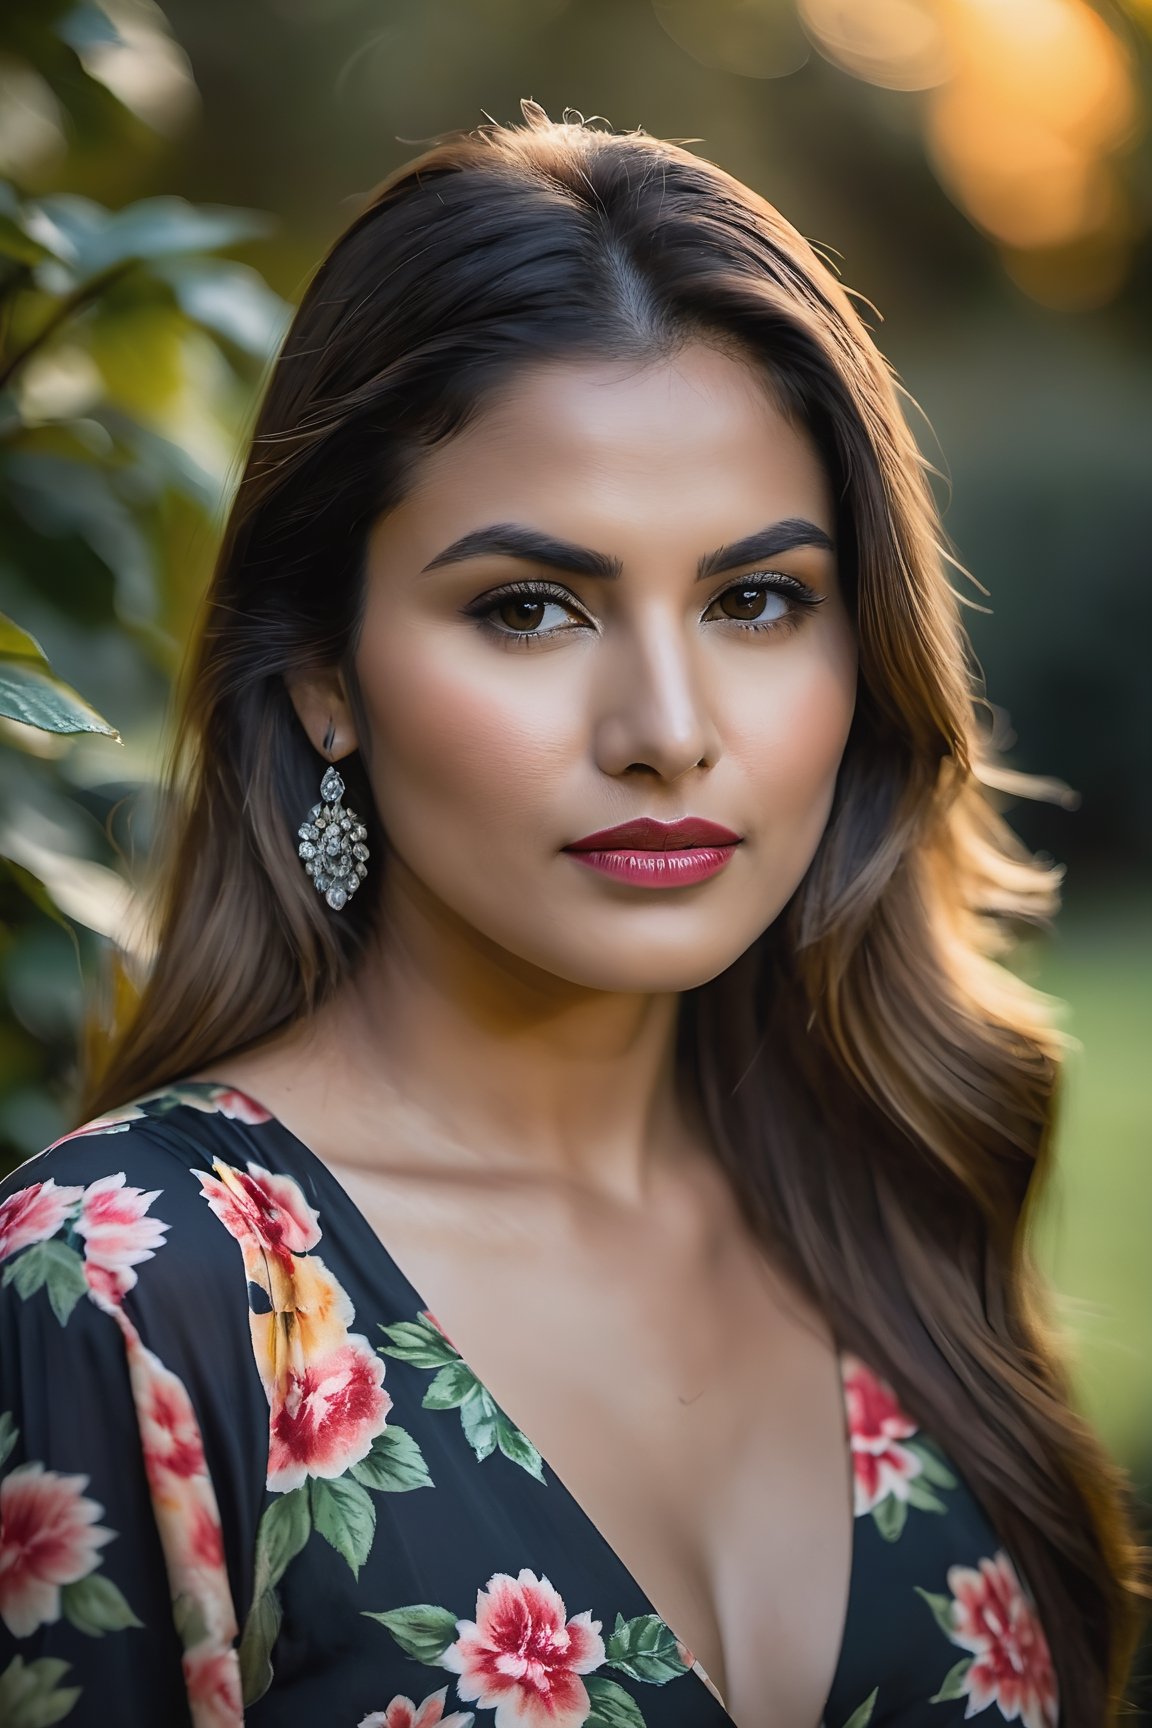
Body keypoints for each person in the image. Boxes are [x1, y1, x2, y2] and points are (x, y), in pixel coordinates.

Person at [0, 100, 1144, 1728]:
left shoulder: (891, 1186)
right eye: (530, 608)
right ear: (325, 671)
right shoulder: (135, 1298)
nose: (669, 726)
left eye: (758, 600)